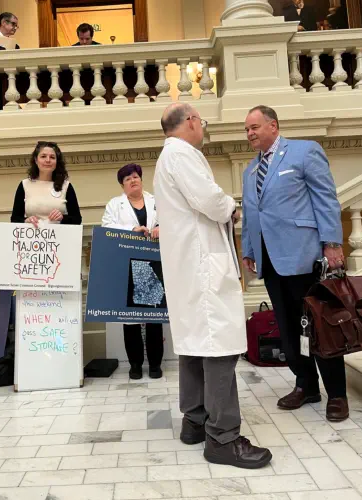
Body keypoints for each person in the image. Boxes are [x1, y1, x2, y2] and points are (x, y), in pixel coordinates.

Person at [154, 102, 272, 469]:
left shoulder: (167, 158)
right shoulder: (182, 154)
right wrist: (231, 208)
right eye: (200, 122)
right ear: (190, 122)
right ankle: (223, 437)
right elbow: (208, 199)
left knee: (193, 344)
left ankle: (195, 421)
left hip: (189, 266)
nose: (202, 128)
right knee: (219, 346)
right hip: (202, 266)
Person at [242, 105, 348, 422]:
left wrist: (332, 243)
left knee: (321, 326)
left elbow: (326, 198)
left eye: (254, 127)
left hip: (305, 258)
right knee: (289, 330)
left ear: (273, 125)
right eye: (246, 129)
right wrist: (249, 249)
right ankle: (306, 385)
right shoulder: (250, 171)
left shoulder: (304, 152)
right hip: (271, 262)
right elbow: (250, 216)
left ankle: (338, 394)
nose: (249, 134)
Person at [102, 163, 164, 380]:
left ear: (141, 180)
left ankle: (155, 364)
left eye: (136, 176)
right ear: (122, 185)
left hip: (152, 265)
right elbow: (107, 228)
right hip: (127, 264)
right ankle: (135, 364)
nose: (133, 180)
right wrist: (131, 231)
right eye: (128, 179)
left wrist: (159, 228)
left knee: (154, 317)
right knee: (131, 319)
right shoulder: (114, 205)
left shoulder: (157, 201)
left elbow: (174, 221)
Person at [11, 141, 82, 227]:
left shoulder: (66, 186)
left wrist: (62, 218)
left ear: (56, 162)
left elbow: (77, 219)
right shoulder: (24, 185)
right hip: (31, 237)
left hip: (60, 237)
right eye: (43, 156)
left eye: (52, 157)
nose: (48, 160)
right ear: (36, 160)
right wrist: (26, 221)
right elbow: (14, 219)